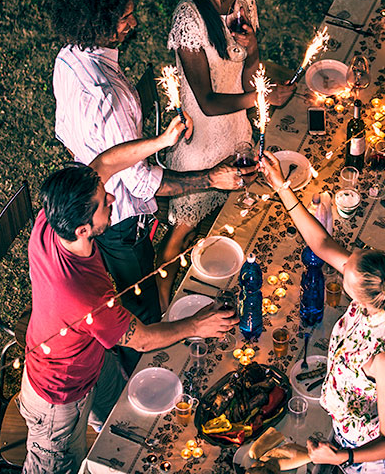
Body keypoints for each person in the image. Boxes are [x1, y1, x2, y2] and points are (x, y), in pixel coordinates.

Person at [19, 123, 239, 474]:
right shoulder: (83, 294)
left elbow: (105, 162)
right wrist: (199, 323)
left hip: (93, 361)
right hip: (59, 398)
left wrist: (163, 141)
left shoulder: (52, 220)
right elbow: (142, 339)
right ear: (83, 230)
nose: (111, 198)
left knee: (121, 429)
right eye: (103, 202)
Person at [51, 0, 253, 320]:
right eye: (126, 16)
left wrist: (159, 141)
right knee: (140, 302)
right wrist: (211, 178)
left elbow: (71, 134)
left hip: (96, 194)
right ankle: (142, 363)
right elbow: (146, 186)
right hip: (123, 221)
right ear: (98, 21)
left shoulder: (67, 58)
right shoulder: (107, 99)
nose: (134, 23)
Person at [259, 152, 385, 474]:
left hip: (366, 455)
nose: (342, 263)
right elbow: (321, 242)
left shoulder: (383, 360)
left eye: (344, 271)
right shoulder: (383, 289)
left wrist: (342, 458)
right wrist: (281, 186)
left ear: (356, 292)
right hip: (344, 429)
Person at [161, 0, 293, 272]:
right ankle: (161, 297)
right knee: (179, 239)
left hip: (238, 135)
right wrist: (261, 99)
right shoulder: (188, 19)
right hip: (201, 146)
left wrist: (251, 49)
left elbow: (250, 76)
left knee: (245, 221)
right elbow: (206, 102)